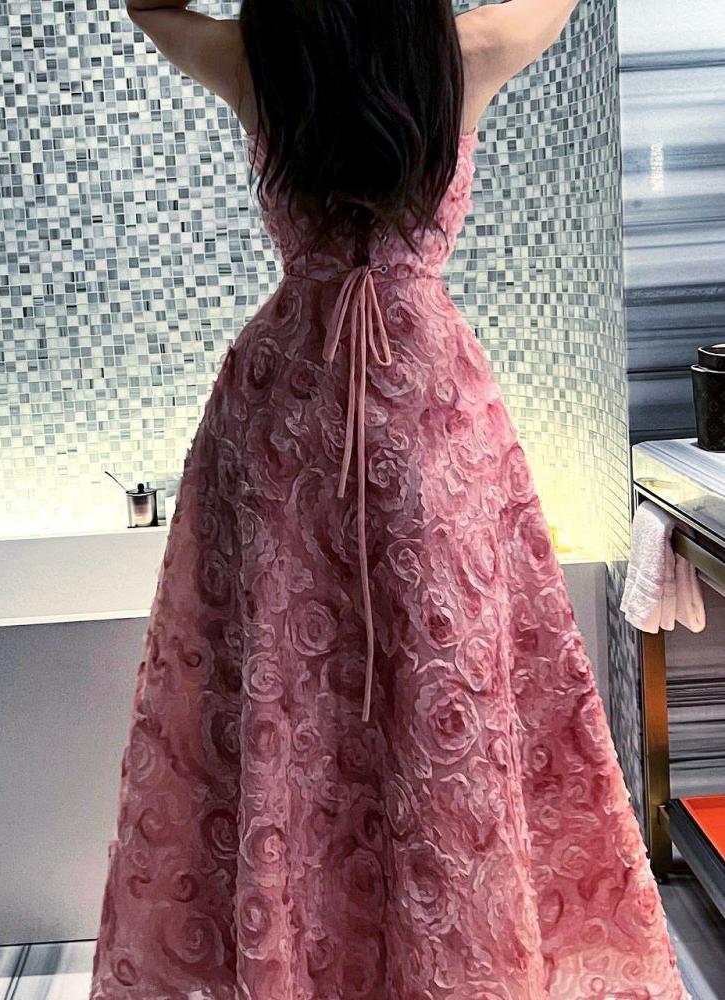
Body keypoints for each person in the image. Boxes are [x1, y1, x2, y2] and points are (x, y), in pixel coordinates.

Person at [89, 1, 692, 997]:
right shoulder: (464, 51)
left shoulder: (260, 58)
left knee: (289, 693)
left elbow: (149, 6)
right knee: (443, 690)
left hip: (286, 418)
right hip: (425, 409)